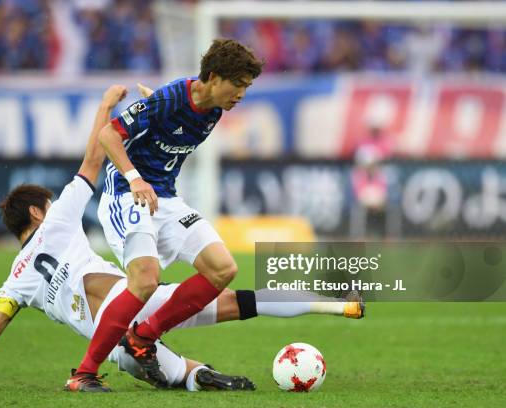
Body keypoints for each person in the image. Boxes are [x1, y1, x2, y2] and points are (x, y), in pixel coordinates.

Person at [0, 83, 365, 393]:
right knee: (239, 302)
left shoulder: (15, 280)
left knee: (178, 374)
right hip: (139, 302)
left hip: (115, 346)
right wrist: (105, 106)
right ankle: (332, 305)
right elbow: (94, 159)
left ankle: (194, 372)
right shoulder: (58, 218)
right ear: (37, 212)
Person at [73, 38, 355, 390]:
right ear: (215, 77)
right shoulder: (171, 98)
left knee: (223, 268)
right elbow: (107, 136)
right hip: (127, 193)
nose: (241, 94)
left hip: (166, 198)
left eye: (247, 87)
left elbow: (164, 127)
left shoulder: (214, 110)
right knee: (145, 280)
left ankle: (143, 337)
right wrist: (134, 178)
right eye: (238, 85)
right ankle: (83, 373)